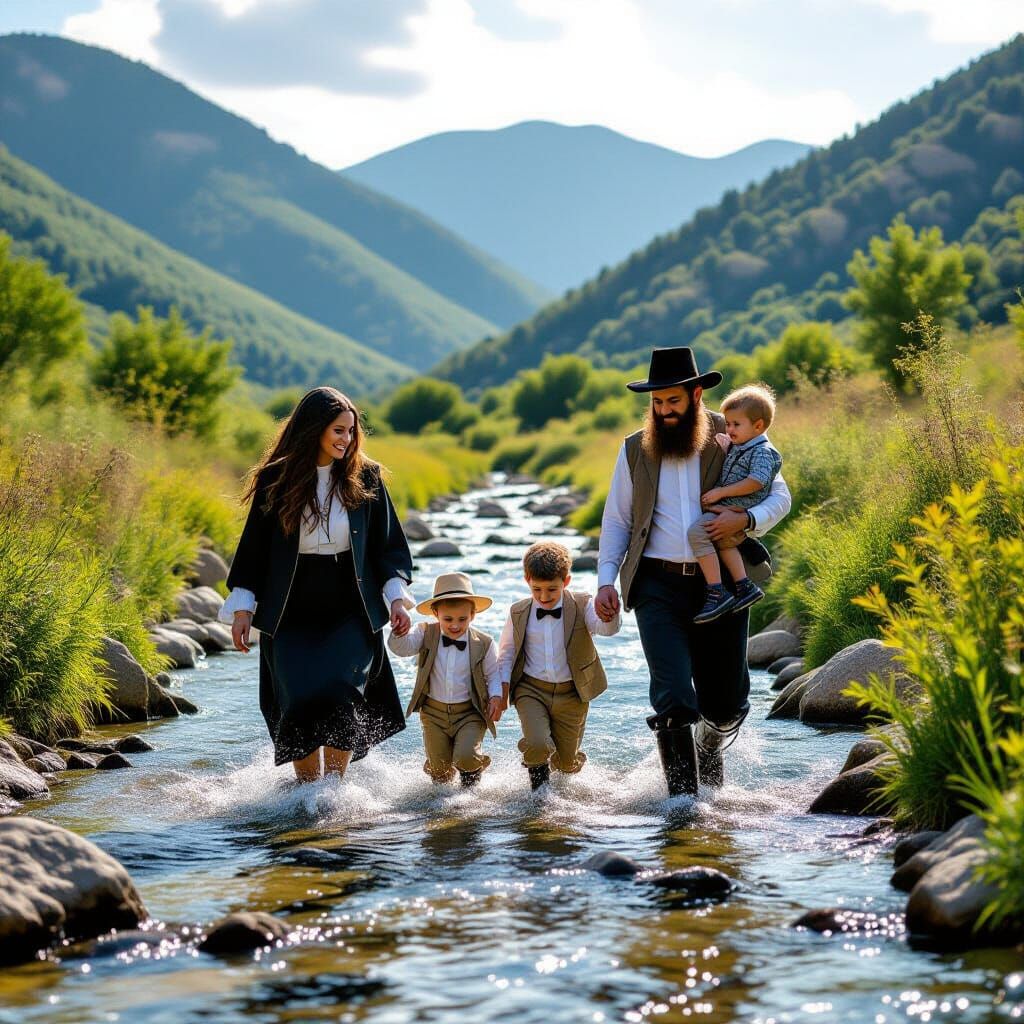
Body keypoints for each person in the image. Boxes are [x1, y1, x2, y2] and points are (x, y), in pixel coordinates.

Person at [594, 348, 791, 795]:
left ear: (696, 395)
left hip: (720, 585)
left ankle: (709, 747)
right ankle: (683, 808)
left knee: (725, 704)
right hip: (655, 585)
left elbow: (780, 496)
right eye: (657, 403)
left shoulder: (734, 434)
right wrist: (606, 579)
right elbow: (617, 521)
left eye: (673, 402)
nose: (663, 411)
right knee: (673, 698)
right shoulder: (632, 449)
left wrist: (747, 520)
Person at [219, 386, 414, 783]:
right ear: (314, 429)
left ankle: (334, 790)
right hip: (291, 605)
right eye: (338, 430)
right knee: (300, 699)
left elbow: (388, 547)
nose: (346, 439)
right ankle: (307, 794)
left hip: (351, 604)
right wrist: (243, 609)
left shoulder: (368, 476)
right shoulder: (276, 479)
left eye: (351, 431)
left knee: (342, 694)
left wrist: (396, 600)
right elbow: (253, 550)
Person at [498, 541, 621, 790]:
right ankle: (539, 800)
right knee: (538, 744)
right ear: (527, 580)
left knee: (566, 764)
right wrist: (499, 690)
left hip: (573, 693)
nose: (544, 597)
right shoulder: (518, 611)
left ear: (566, 582)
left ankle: (566, 777)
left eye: (552, 590)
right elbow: (506, 653)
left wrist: (611, 615)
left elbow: (605, 629)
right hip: (530, 690)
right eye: (537, 590)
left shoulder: (583, 604)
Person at [388, 572, 504, 788]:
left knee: (466, 757)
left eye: (462, 619)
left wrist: (496, 696)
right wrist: (398, 631)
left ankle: (471, 786)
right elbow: (401, 649)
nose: (455, 625)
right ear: (435, 613)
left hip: (470, 712)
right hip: (433, 714)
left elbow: (493, 674)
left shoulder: (484, 643)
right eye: (448, 619)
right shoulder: (425, 633)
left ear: (473, 615)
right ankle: (444, 809)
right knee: (439, 770)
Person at [687, 384, 783, 624]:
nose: (729, 429)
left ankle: (717, 591)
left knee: (698, 533)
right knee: (722, 540)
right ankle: (744, 586)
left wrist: (721, 492)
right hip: (729, 508)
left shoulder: (762, 451)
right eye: (727, 424)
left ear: (758, 426)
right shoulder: (744, 445)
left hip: (735, 507)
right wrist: (727, 445)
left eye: (735, 425)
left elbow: (756, 481)